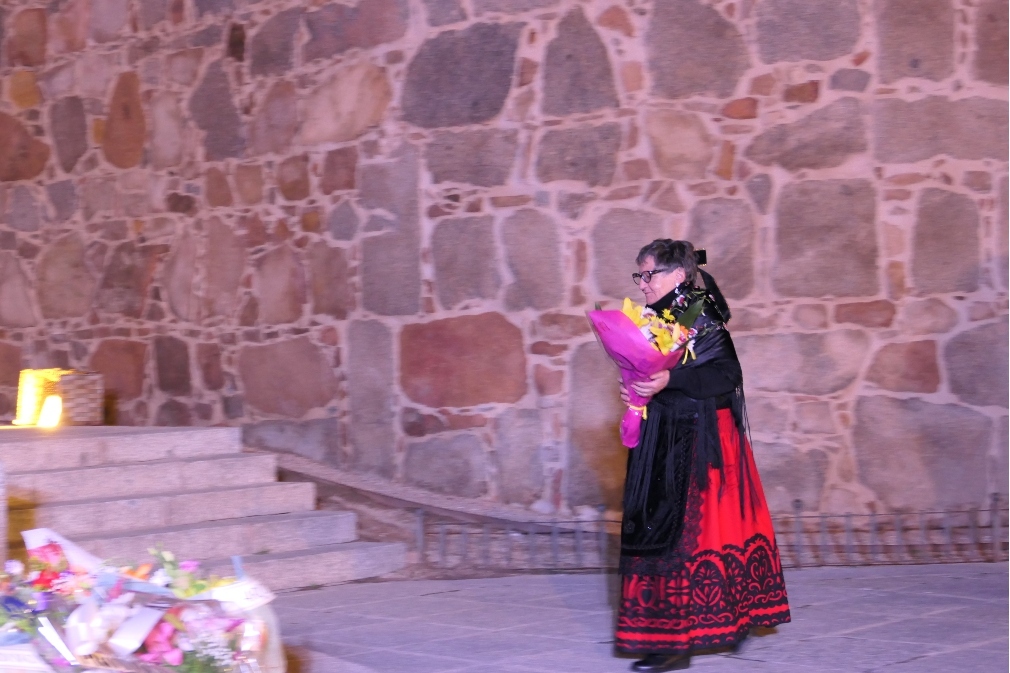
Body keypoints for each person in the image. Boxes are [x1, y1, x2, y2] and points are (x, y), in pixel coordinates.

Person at [614, 239, 790, 671]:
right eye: (639, 275)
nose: (642, 284)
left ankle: (680, 643)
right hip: (663, 434)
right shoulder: (652, 317)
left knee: (697, 538)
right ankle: (664, 635)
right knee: (658, 529)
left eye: (649, 274)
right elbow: (655, 372)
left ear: (678, 275)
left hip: (699, 440)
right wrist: (638, 389)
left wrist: (667, 381)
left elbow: (727, 374)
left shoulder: (698, 311)